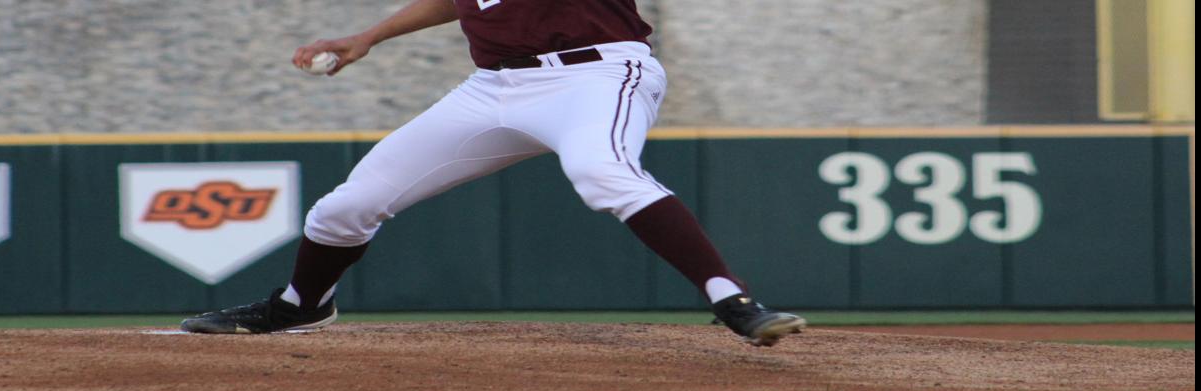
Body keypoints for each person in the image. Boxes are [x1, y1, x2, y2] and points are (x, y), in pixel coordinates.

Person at [181, 0, 806, 347]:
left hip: (597, 74)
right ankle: (300, 307)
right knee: (344, 207)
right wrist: (369, 35)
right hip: (494, 88)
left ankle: (734, 303)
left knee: (601, 170)